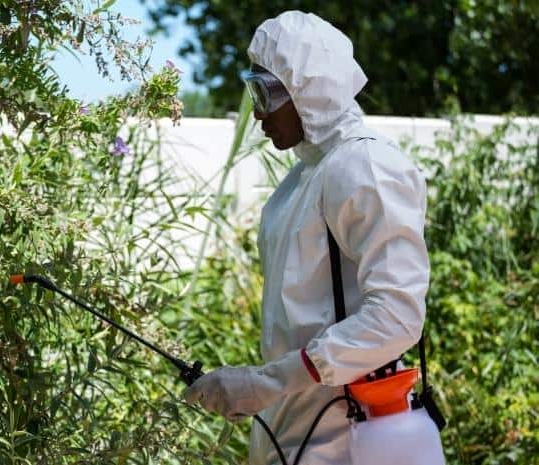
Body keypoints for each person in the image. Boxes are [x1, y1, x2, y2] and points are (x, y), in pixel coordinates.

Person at [182, 11, 430, 465]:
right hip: (293, 436)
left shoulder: (364, 166)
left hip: (352, 442)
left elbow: (397, 315)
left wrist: (266, 383)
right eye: (252, 90)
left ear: (309, 90)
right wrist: (260, 386)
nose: (258, 113)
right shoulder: (300, 182)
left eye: (266, 93)